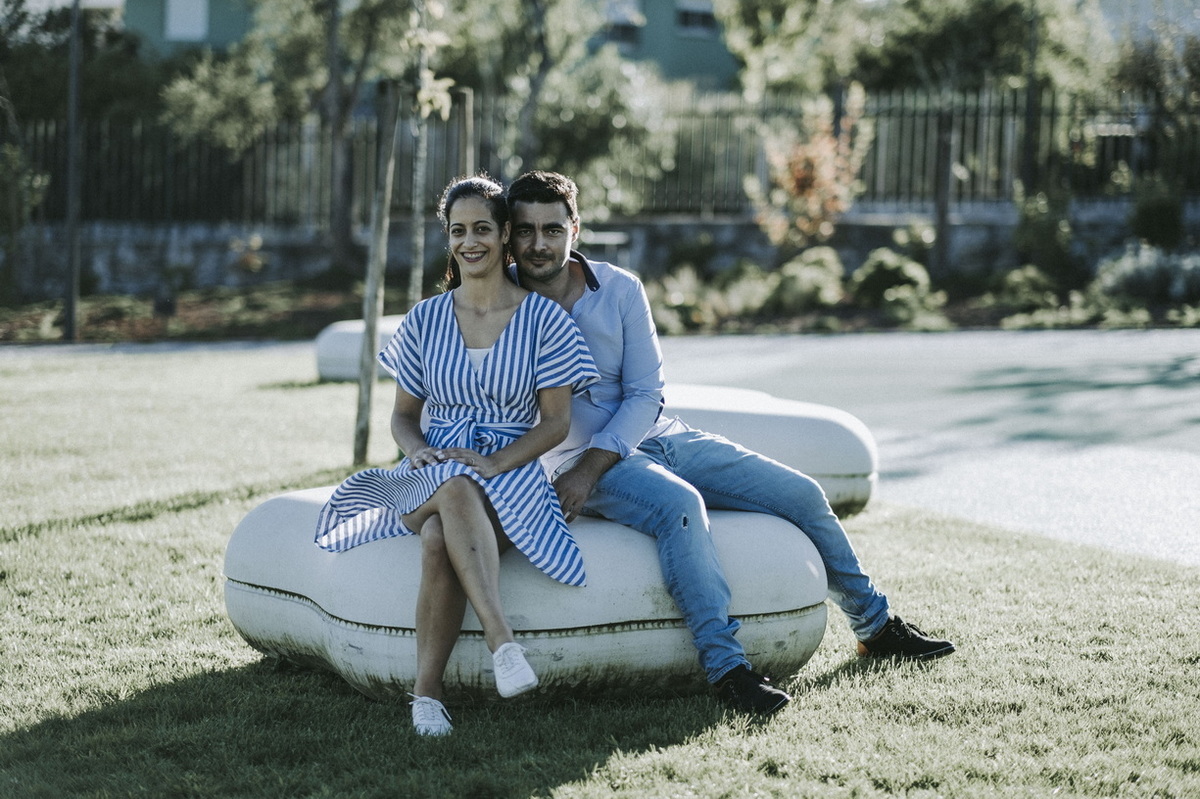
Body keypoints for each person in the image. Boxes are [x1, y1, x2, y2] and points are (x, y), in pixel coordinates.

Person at [504, 169, 955, 715]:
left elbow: (647, 393)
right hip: (572, 457)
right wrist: (577, 471)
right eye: (525, 230)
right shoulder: (500, 303)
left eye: (552, 229)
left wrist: (596, 462)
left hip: (655, 436)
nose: (538, 244)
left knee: (803, 493)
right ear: (510, 233)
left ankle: (876, 627)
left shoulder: (621, 289)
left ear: (574, 229)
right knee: (680, 506)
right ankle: (728, 670)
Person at [313, 174, 598, 736]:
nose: (471, 241)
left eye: (483, 229)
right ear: (448, 237)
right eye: (459, 230)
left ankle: (425, 696)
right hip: (431, 471)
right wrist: (419, 450)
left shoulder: (545, 320)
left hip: (511, 475)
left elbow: (556, 423)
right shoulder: (425, 319)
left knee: (439, 538)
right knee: (452, 481)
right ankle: (502, 641)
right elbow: (403, 417)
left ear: (504, 235)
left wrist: (495, 462)